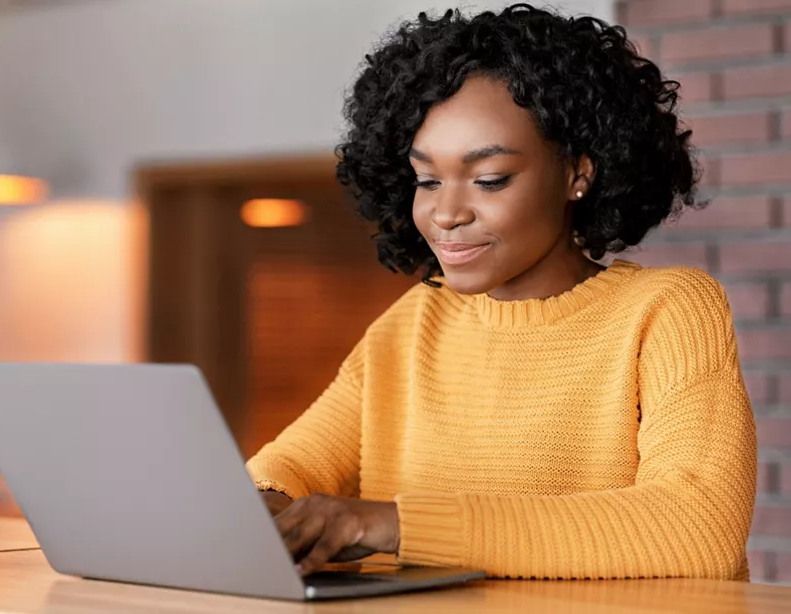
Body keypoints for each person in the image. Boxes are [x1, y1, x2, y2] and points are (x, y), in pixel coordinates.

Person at [248, 4, 756, 581]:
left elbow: (696, 527)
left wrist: (392, 524)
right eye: (427, 180)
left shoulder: (668, 311)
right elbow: (288, 465)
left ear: (577, 174)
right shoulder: (413, 323)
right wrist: (264, 505)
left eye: (489, 180)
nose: (446, 213)